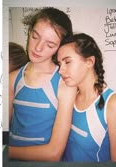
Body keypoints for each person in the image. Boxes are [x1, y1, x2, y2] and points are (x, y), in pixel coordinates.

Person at [8, 7, 77, 161]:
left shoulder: (64, 84)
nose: (38, 47)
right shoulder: (12, 79)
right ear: (29, 31)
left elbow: (54, 153)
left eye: (50, 44)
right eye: (34, 36)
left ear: (60, 47)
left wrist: (6, 152)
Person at [57, 33, 116, 162]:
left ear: (89, 62)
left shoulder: (112, 103)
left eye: (67, 62)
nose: (60, 70)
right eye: (59, 64)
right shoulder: (69, 97)